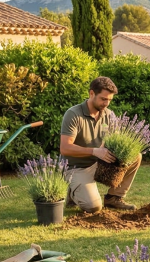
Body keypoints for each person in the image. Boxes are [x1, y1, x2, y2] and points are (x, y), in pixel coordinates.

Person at [59, 76, 140, 213]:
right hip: (77, 167)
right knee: (93, 207)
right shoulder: (73, 114)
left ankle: (114, 197)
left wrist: (118, 152)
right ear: (92, 94)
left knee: (135, 156)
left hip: (99, 163)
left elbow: (114, 141)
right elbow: (65, 148)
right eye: (103, 99)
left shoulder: (108, 115)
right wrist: (94, 151)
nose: (106, 103)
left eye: (109, 100)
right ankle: (73, 192)